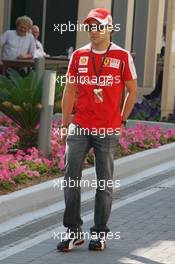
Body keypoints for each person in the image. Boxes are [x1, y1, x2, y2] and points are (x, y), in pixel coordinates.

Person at [57, 8, 138, 252]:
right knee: (70, 178)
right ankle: (73, 232)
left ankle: (100, 233)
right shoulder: (79, 56)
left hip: (107, 129)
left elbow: (132, 91)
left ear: (109, 28)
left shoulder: (123, 57)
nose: (94, 31)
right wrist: (63, 124)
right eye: (90, 27)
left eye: (99, 26)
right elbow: (70, 90)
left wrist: (122, 121)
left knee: (104, 184)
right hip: (79, 126)